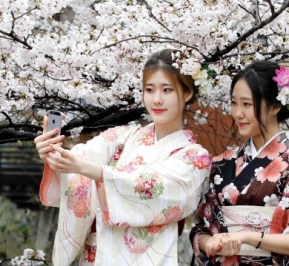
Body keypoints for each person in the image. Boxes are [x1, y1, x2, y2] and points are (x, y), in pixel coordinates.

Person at [34, 49, 211, 265]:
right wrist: (53, 153)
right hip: (96, 256)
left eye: (167, 90)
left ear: (186, 93)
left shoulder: (195, 158)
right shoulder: (121, 138)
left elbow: (149, 186)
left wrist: (90, 170)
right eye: (149, 89)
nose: (156, 99)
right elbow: (80, 158)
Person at [190, 61, 289, 265]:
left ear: (275, 106)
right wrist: (212, 243)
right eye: (234, 103)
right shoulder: (221, 164)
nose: (238, 113)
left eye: (247, 104)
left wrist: (250, 238)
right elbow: (200, 230)